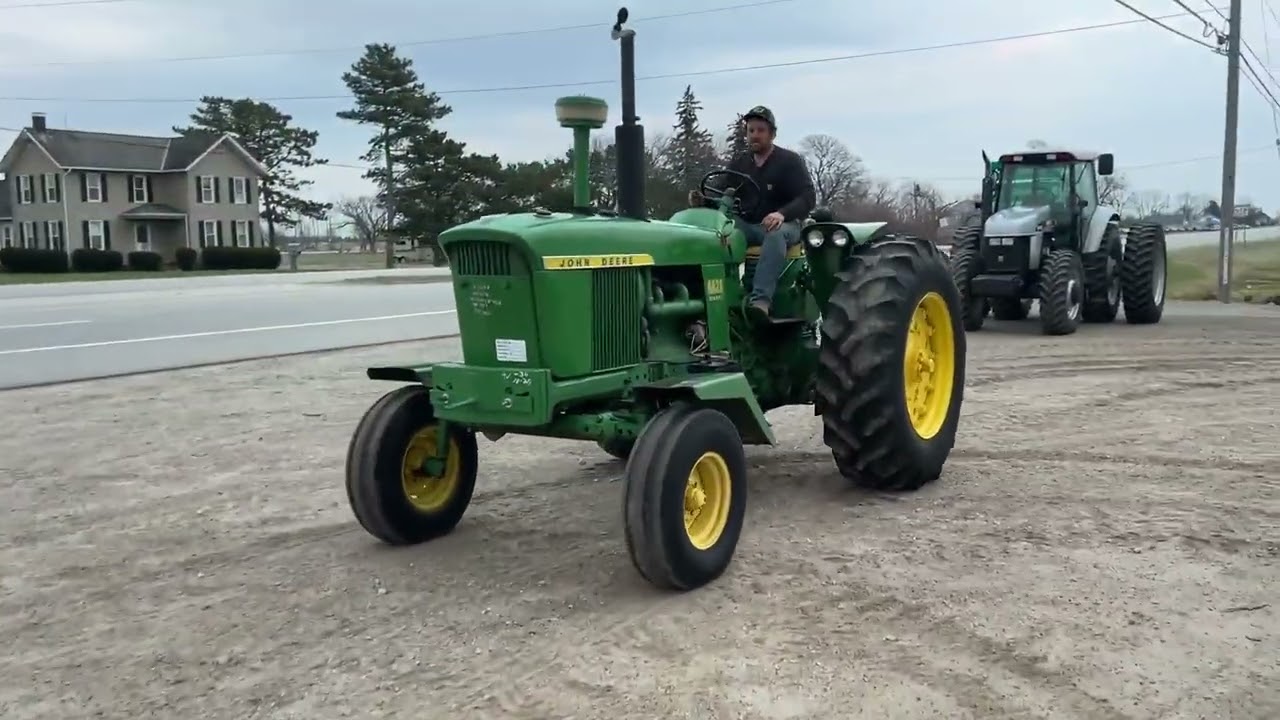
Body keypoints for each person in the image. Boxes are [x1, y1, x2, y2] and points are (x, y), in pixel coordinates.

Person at [690, 106, 816, 319]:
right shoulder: (740, 163)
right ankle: (715, 295)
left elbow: (807, 197)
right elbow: (723, 191)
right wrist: (704, 201)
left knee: (775, 234)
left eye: (761, 130)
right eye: (751, 130)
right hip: (749, 224)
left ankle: (760, 301)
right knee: (720, 232)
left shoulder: (789, 161)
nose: (755, 135)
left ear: (772, 134)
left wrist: (782, 213)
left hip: (785, 225)